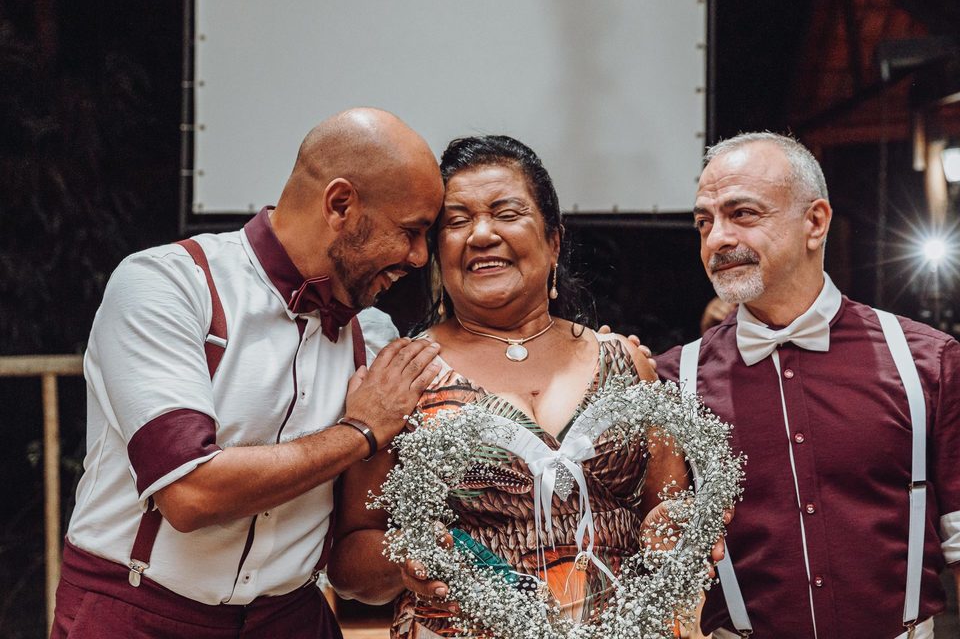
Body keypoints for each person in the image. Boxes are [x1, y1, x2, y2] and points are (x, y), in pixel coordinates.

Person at [51, 108, 446, 638]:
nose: (420, 257)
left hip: (293, 621)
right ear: (340, 204)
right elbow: (189, 493)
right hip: (136, 617)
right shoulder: (166, 284)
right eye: (411, 231)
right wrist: (359, 432)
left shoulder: (372, 335)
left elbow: (356, 560)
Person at [327, 135, 692, 637]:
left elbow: (667, 506)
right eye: (457, 221)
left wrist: (678, 525)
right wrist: (405, 559)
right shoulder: (403, 375)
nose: (481, 234)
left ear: (553, 241)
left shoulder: (625, 363)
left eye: (506, 213)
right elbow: (349, 565)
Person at [657, 132, 960, 638]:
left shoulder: (926, 360)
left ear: (815, 222)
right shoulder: (674, 379)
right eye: (704, 222)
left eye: (742, 214)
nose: (717, 240)